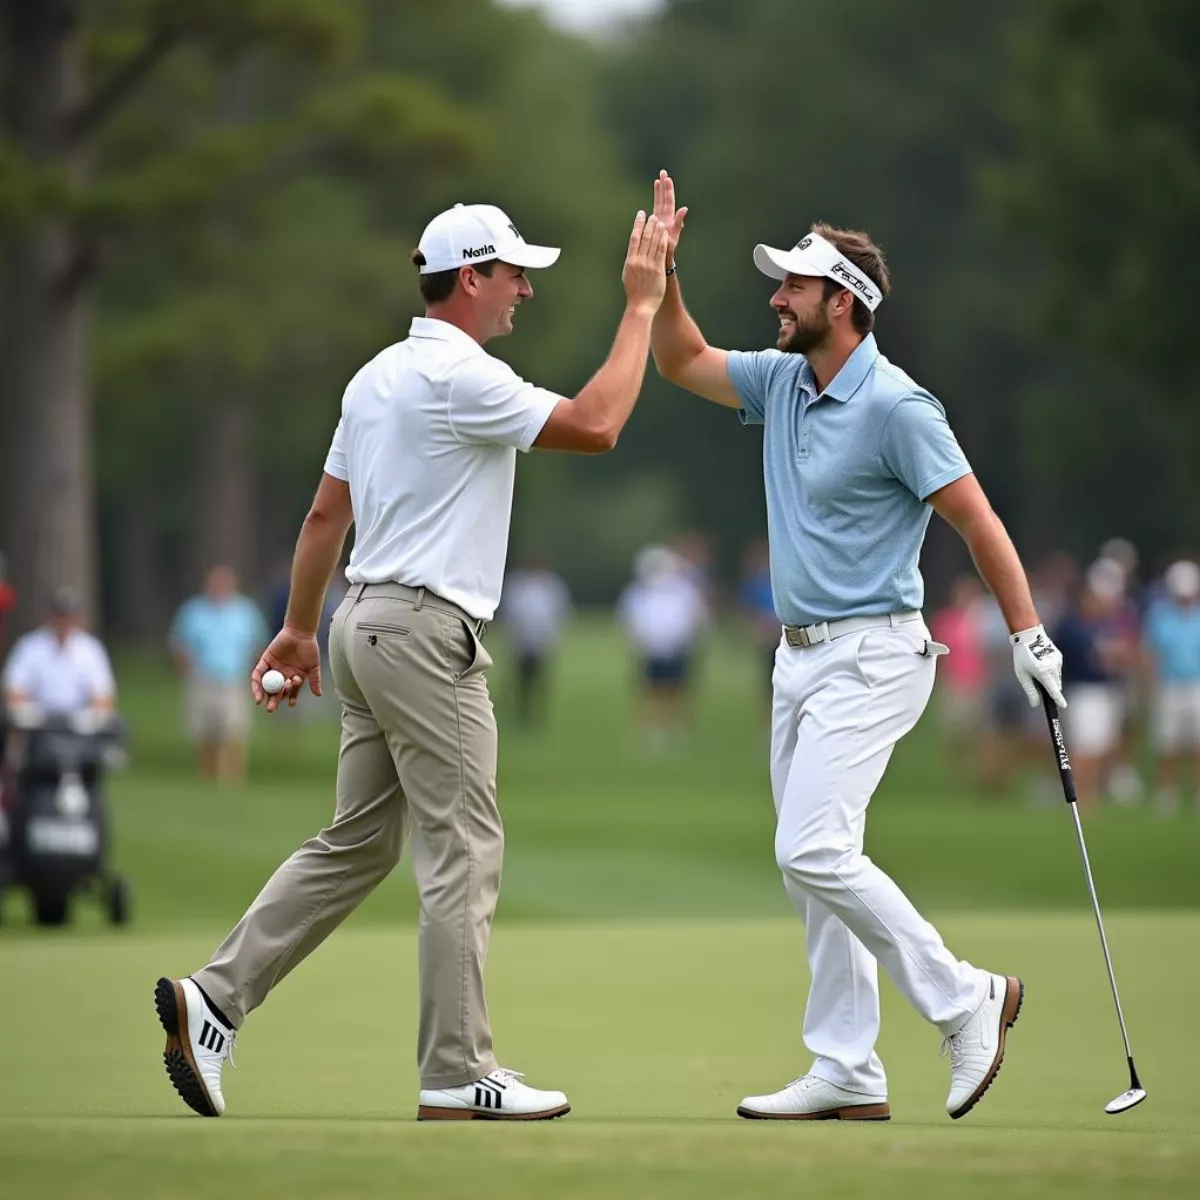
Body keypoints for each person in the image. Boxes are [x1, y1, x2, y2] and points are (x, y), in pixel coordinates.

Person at [154, 202, 671, 1121]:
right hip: (428, 637)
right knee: (462, 851)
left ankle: (215, 998)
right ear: (470, 277)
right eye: (513, 270)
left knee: (358, 843)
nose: (526, 286)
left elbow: (324, 517)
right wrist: (640, 305)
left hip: (360, 626)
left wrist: (301, 627)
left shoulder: (374, 378)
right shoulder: (460, 377)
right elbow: (598, 424)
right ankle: (456, 1070)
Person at [647, 170, 1066, 1122]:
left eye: (793, 286)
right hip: (798, 659)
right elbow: (681, 361)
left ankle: (967, 1001)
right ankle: (846, 1069)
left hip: (876, 654)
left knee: (814, 848)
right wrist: (666, 277)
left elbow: (979, 522)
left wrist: (1028, 633)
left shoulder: (899, 408)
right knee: (813, 866)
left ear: (844, 301)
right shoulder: (783, 380)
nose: (776, 297)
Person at [169, 566, 267, 785]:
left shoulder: (245, 611)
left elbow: (257, 643)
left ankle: (231, 778)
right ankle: (208, 776)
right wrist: (184, 668)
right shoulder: (193, 611)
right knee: (205, 732)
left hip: (233, 678)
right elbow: (179, 643)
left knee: (234, 730)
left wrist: (256, 671)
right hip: (202, 677)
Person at [1053, 561, 1137, 810]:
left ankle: (1091, 796)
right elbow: (1092, 658)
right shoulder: (1073, 626)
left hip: (1105, 692)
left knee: (1100, 747)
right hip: (1084, 692)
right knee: (1084, 748)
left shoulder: (1103, 625)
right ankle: (1081, 798)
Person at [617, 544, 709, 746]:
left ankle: (674, 729)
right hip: (651, 649)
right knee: (650, 690)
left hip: (676, 647)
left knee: (675, 689)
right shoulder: (639, 593)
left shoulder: (684, 590)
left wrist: (687, 637)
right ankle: (650, 730)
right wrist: (638, 641)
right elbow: (629, 618)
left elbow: (696, 617)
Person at [3, 586, 116, 721]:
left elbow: (102, 695)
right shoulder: (30, 646)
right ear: (50, 616)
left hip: (79, 724)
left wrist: (93, 712)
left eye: (68, 616)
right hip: (37, 723)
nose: (64, 622)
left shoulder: (90, 649)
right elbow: (15, 689)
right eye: (60, 616)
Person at [1143, 559, 1200, 814]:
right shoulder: (1160, 616)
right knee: (1168, 743)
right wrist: (1151, 686)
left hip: (1197, 686)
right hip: (1168, 686)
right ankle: (1168, 793)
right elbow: (1151, 654)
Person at [498, 557, 572, 729]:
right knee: (521, 682)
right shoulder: (517, 586)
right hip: (521, 642)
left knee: (540, 681)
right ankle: (521, 714)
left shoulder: (551, 587)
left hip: (542, 642)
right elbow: (510, 613)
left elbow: (559, 613)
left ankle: (537, 716)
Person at [930, 575, 989, 789]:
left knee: (978, 732)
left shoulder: (982, 619)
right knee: (955, 732)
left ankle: (981, 774)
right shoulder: (945, 619)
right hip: (954, 682)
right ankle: (958, 775)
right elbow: (940, 654)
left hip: (979, 682)